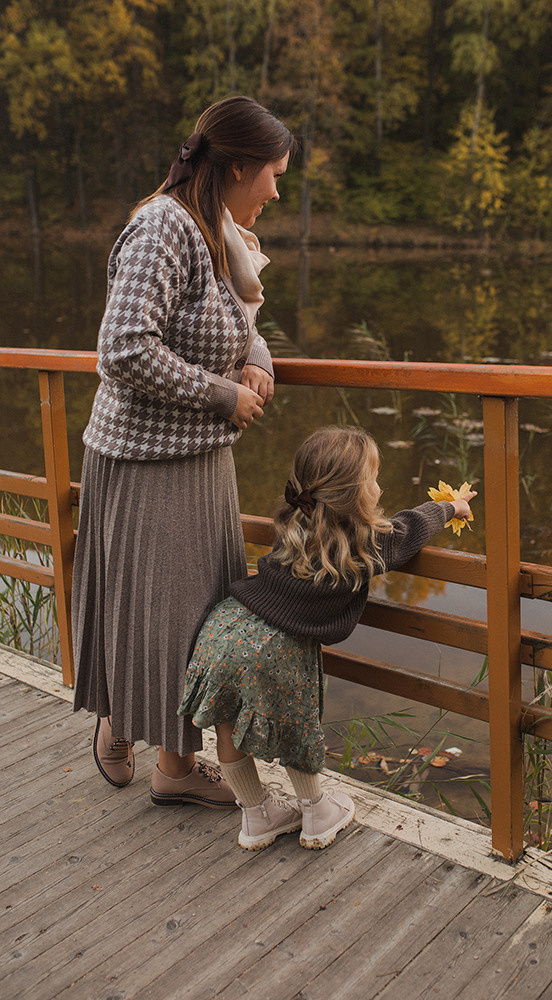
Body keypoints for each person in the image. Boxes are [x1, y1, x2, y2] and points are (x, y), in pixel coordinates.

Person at [72, 96, 295, 808]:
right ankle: (154, 749)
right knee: (163, 613)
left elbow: (232, 318)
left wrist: (256, 362)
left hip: (198, 460)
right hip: (145, 460)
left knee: (189, 613)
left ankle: (160, 750)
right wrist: (221, 396)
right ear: (236, 166)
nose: (277, 191)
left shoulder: (216, 231)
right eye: (273, 175)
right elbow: (123, 347)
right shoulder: (162, 227)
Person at [178, 425, 476, 850]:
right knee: (297, 726)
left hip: (227, 629)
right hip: (277, 646)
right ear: (354, 494)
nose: (379, 486)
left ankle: (256, 817)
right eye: (372, 479)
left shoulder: (293, 522)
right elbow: (411, 528)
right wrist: (451, 508)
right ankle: (317, 813)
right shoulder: (366, 544)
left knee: (227, 724)